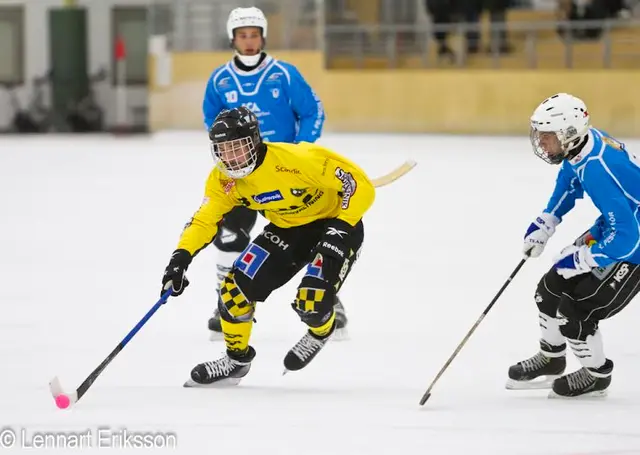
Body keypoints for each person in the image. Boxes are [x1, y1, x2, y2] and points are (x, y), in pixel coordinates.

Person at [160, 106, 375, 387]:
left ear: (255, 141)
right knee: (233, 292)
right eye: (222, 150)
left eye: (237, 147)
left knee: (312, 300)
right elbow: (203, 220)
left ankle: (321, 330)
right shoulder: (223, 181)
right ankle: (236, 361)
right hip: (286, 230)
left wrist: (341, 228)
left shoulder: (299, 159)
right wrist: (180, 258)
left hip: (333, 224)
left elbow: (359, 185)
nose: (231, 158)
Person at [200, 7, 349, 339]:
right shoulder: (220, 80)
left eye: (254, 35)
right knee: (229, 236)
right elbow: (213, 121)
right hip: (242, 176)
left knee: (307, 234)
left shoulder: (284, 74)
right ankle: (226, 302)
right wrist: (231, 157)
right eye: (242, 35)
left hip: (286, 173)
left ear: (263, 37)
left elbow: (312, 111)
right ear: (233, 38)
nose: (249, 41)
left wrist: (301, 151)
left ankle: (328, 298)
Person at [506, 93, 640, 398]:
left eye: (547, 137)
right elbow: (569, 179)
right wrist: (547, 220)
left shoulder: (600, 169)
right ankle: (552, 358)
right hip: (619, 229)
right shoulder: (584, 144)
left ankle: (596, 375)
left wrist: (583, 258)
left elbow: (626, 239)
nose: (541, 143)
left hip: (633, 249)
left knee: (575, 311)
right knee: (549, 289)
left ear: (568, 133)